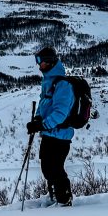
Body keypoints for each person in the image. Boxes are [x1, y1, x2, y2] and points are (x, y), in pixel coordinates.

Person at [26, 45, 74, 206]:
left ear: (51, 62)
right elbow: (44, 104)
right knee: (47, 168)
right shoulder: (49, 82)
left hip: (60, 135)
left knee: (55, 169)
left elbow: (60, 113)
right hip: (49, 134)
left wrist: (42, 125)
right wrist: (37, 119)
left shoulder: (63, 85)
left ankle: (64, 200)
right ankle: (54, 197)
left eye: (42, 62)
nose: (39, 66)